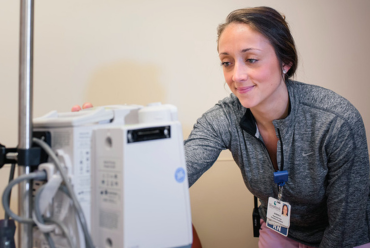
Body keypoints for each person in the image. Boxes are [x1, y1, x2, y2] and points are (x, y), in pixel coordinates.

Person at [74, 6, 370, 248]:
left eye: (251, 59)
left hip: (343, 235)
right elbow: (171, 177)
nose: (237, 75)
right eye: (227, 63)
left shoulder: (335, 120)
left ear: (285, 62)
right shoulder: (225, 118)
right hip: (281, 234)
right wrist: (95, 144)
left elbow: (346, 225)